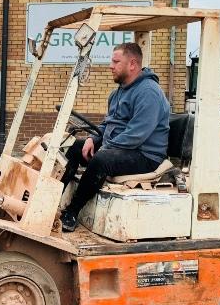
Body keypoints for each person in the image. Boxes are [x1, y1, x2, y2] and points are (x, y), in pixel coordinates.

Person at [59, 42, 170, 232]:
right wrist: (92, 139)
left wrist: (104, 148)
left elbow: (136, 134)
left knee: (102, 159)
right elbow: (108, 124)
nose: (111, 65)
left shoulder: (148, 93)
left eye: (116, 61)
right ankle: (53, 200)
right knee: (74, 147)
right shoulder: (117, 93)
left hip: (145, 155)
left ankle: (71, 212)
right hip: (122, 148)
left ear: (132, 64)